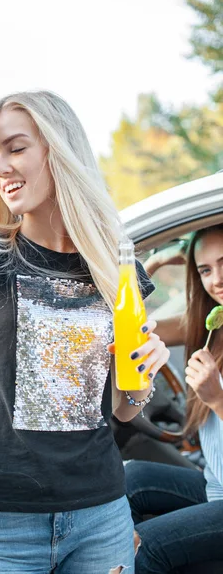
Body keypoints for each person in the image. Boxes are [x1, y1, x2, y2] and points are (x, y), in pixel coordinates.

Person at [0, 91, 169, 573]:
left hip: (101, 512)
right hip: (2, 521)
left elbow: (124, 408)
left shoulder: (117, 269)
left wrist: (143, 371)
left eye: (16, 149)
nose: (1, 169)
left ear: (58, 150)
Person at [125, 225, 223, 573]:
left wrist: (217, 401)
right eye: (205, 270)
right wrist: (155, 262)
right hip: (215, 486)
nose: (217, 281)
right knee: (128, 479)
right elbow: (134, 329)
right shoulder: (212, 325)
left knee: (141, 547)